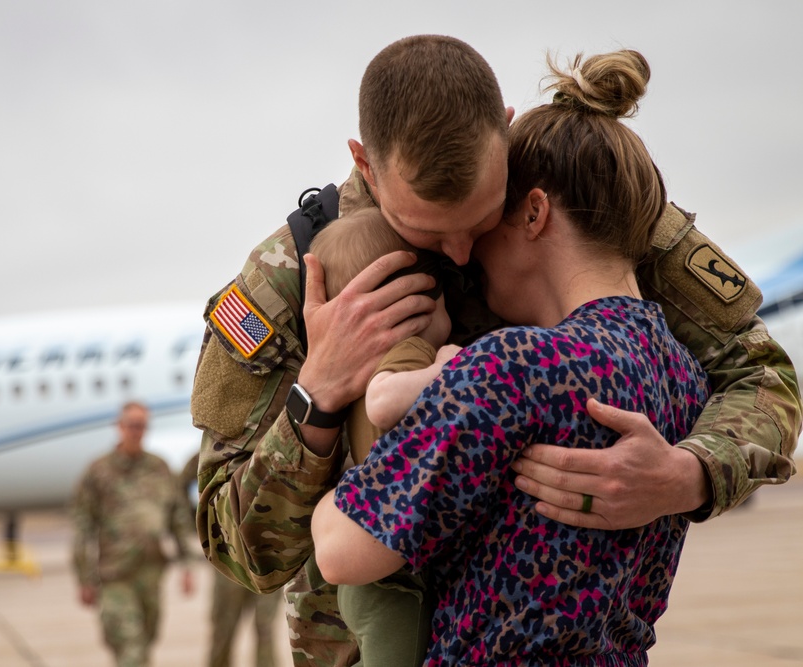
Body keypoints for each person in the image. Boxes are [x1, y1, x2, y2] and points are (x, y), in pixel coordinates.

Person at [191, 34, 800, 666]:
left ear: (506, 136)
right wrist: (315, 400)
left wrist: (690, 475)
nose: (460, 254)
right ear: (366, 165)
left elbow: (762, 375)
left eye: (482, 223)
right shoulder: (294, 274)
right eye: (427, 230)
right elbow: (235, 548)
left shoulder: (568, 186)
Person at [314, 49, 712, 665]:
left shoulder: (514, 366)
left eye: (489, 218)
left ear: (534, 212)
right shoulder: (684, 373)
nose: (463, 254)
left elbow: (343, 550)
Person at [310, 206, 460, 666]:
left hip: (371, 568)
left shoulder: (353, 366)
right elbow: (384, 399)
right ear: (419, 303)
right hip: (392, 581)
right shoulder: (412, 348)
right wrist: (446, 368)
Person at [71, 401, 196, 667]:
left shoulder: (159, 468)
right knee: (130, 647)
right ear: (119, 427)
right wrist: (83, 578)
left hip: (151, 573)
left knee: (146, 641)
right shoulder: (98, 472)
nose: (136, 431)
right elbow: (82, 527)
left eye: (141, 426)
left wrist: (187, 566)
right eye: (131, 425)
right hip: (116, 576)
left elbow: (178, 520)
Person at [180, 453, 282, 667]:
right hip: (229, 557)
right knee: (224, 629)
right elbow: (179, 489)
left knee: (265, 629)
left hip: (268, 556)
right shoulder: (215, 450)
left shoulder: (271, 445)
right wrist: (200, 521)